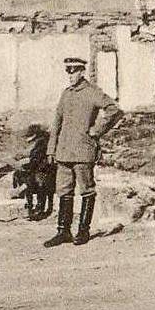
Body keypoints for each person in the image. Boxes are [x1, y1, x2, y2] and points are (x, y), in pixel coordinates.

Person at [44, 57, 123, 247]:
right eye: (68, 72)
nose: (71, 75)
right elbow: (57, 122)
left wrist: (97, 131)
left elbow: (115, 110)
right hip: (63, 150)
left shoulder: (92, 92)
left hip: (83, 149)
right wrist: (51, 148)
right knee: (64, 189)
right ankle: (63, 231)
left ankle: (83, 231)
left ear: (82, 72)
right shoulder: (66, 94)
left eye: (74, 71)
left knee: (86, 189)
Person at [16, 123, 55, 220]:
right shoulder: (41, 141)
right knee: (30, 180)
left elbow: (37, 158)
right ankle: (33, 207)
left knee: (38, 182)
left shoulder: (42, 142)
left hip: (45, 169)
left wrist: (27, 166)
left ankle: (38, 208)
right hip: (40, 168)